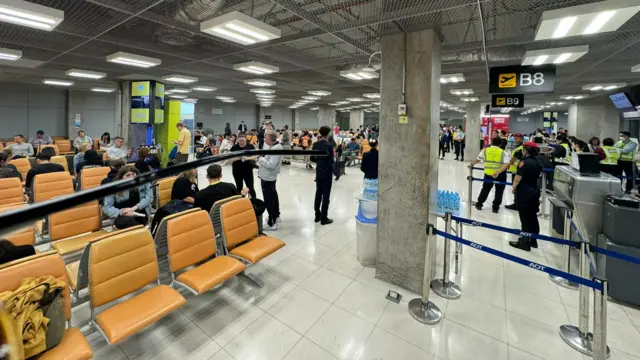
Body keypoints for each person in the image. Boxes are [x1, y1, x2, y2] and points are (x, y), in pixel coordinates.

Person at [509, 142, 543, 251]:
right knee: (533, 215)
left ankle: (524, 242)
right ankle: (533, 239)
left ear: (526, 151)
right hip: (535, 190)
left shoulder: (523, 162)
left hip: (524, 191)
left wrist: (514, 187)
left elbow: (518, 177)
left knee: (525, 217)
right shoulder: (538, 161)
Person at [469, 137, 510, 213]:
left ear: (491, 142)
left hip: (488, 173)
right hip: (500, 174)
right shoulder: (503, 152)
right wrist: (498, 171)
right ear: (500, 144)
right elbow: (507, 164)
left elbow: (478, 159)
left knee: (485, 189)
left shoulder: (485, 150)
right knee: (499, 191)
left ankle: (479, 204)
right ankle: (495, 208)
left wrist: (471, 164)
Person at [258, 130, 282, 230]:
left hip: (268, 177)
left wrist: (260, 159)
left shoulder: (276, 148)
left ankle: (271, 222)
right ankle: (276, 215)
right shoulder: (273, 146)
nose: (264, 139)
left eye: (266, 138)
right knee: (273, 196)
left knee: (269, 199)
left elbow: (271, 165)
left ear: (271, 139)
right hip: (268, 176)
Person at [311, 126, 335, 225]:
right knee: (326, 195)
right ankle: (324, 217)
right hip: (327, 173)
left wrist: (319, 162)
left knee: (318, 193)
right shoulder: (329, 145)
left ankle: (317, 215)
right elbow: (331, 161)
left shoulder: (316, 144)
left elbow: (312, 158)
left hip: (319, 172)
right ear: (328, 133)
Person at [494, 133, 524, 210]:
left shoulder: (520, 149)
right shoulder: (519, 147)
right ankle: (517, 203)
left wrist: (506, 164)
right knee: (517, 187)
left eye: (516, 138)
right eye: (514, 138)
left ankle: (516, 204)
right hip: (516, 170)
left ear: (521, 139)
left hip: (517, 171)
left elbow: (512, 160)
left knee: (516, 187)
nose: (514, 140)